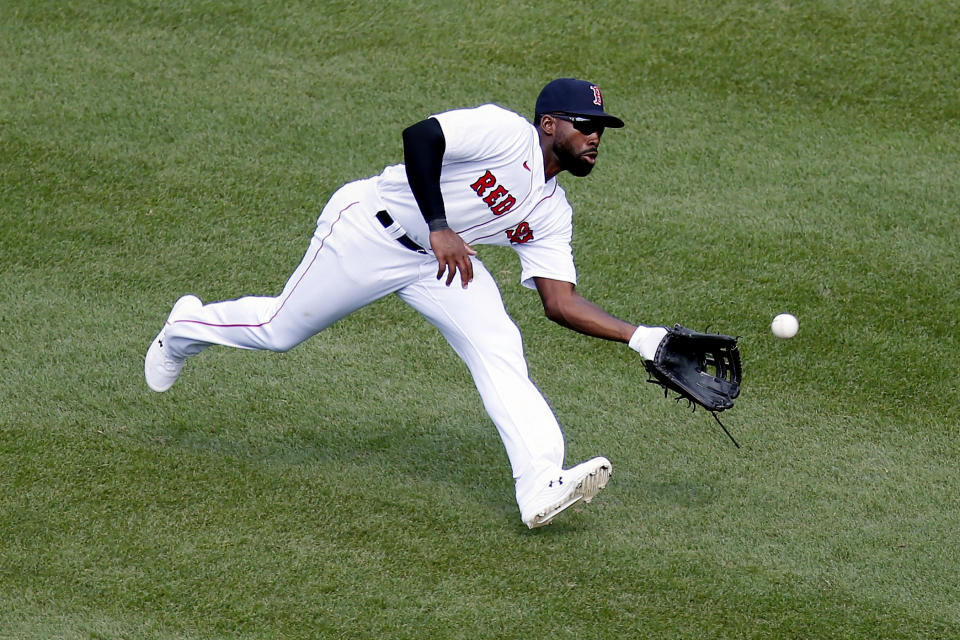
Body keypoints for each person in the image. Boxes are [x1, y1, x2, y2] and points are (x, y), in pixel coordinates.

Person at [145, 78, 668, 528]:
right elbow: (421, 137)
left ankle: (540, 483)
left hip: (440, 264)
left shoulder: (553, 211)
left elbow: (559, 303)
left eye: (602, 128)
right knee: (278, 330)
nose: (595, 135)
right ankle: (184, 327)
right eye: (586, 123)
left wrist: (644, 338)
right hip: (370, 230)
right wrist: (440, 227)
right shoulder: (506, 134)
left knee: (499, 346)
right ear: (550, 124)